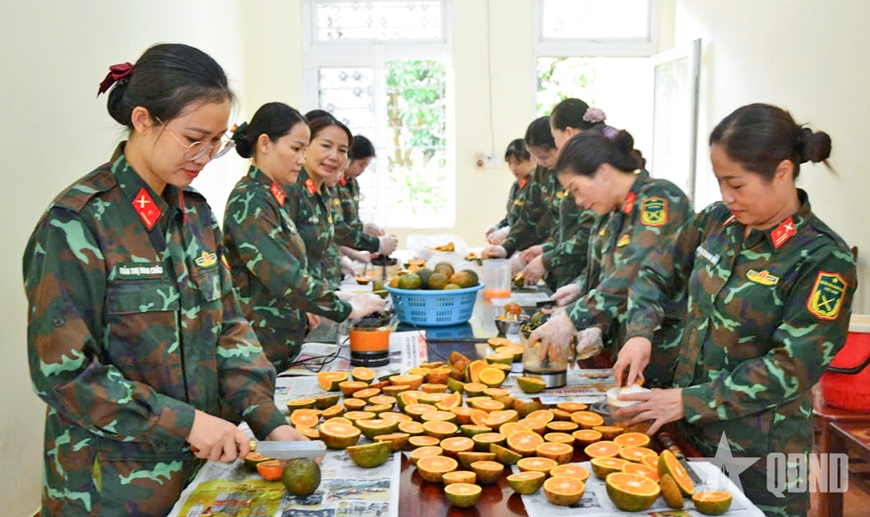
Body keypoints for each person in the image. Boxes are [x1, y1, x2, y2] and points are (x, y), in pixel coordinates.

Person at [23, 44, 308, 517]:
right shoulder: (77, 224)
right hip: (110, 488)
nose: (205, 156)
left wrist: (269, 421)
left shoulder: (194, 214)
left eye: (216, 142)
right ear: (143, 120)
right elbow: (64, 375)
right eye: (194, 139)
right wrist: (186, 423)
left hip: (198, 472)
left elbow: (229, 328)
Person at [615, 104, 856, 517]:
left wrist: (688, 401)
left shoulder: (822, 258)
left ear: (782, 172)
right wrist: (639, 333)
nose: (727, 196)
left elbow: (791, 367)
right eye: (720, 182)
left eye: (737, 184)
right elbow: (654, 274)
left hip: (761, 457)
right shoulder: (717, 222)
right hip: (686, 433)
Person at [222, 102, 384, 370]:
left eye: (304, 150)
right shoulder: (250, 201)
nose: (301, 159)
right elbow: (284, 275)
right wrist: (346, 307)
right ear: (265, 144)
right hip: (259, 347)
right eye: (296, 149)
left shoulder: (272, 198)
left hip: (282, 342)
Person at [527, 129, 692, 386]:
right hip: (624, 350)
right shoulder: (612, 213)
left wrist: (574, 316)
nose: (578, 201)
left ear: (603, 172)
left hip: (662, 355)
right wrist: (582, 287)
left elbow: (636, 270)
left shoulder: (658, 199)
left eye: (576, 189)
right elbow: (608, 268)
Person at [520, 98, 602, 289]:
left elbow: (591, 235)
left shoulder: (589, 169)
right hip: (582, 278)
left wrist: (547, 259)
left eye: (554, 136)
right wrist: (546, 249)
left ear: (569, 133)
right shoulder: (577, 168)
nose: (579, 200)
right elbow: (570, 231)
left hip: (593, 283)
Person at [481, 117, 560, 260]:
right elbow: (528, 214)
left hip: (557, 254)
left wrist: (545, 255)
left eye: (542, 156)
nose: (536, 162)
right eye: (533, 156)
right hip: (542, 254)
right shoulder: (540, 172)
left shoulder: (571, 173)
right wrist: (506, 247)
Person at [484, 138, 534, 245]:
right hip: (516, 243)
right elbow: (513, 215)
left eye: (518, 163)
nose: (513, 168)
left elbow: (533, 219)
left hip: (532, 244)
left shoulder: (536, 184)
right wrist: (498, 226)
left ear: (531, 160)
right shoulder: (517, 185)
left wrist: (507, 231)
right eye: (510, 163)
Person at [341, 134, 384, 238]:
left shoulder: (353, 184)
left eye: (366, 166)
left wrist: (364, 228)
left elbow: (352, 218)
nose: (363, 170)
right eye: (361, 165)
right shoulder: (332, 183)